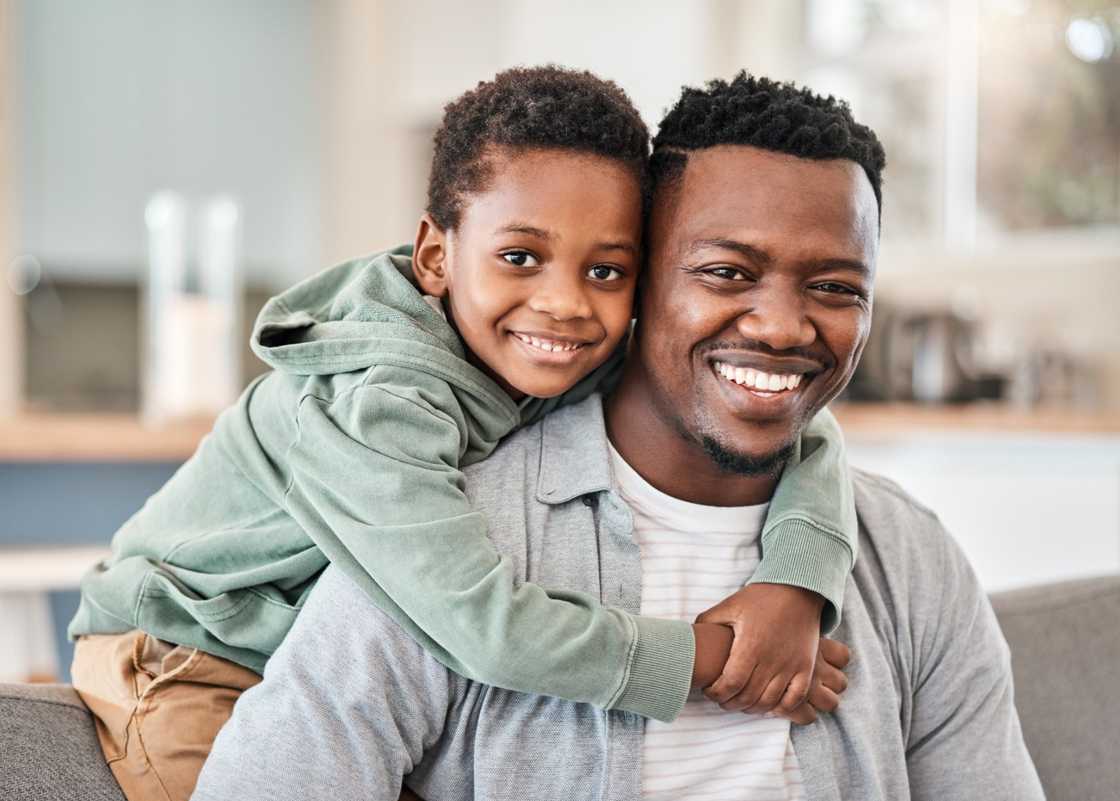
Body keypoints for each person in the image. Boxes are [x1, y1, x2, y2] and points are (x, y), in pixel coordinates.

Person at [192, 73, 1045, 801]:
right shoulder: (448, 540)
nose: (785, 327)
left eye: (834, 286)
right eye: (726, 273)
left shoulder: (908, 557)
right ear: (638, 278)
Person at [68, 68, 859, 801]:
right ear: (435, 256)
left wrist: (795, 584)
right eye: (520, 256)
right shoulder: (379, 404)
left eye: (606, 270)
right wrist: (709, 656)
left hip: (315, 657)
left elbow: (802, 431)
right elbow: (482, 625)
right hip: (186, 651)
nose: (565, 303)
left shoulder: (555, 351)